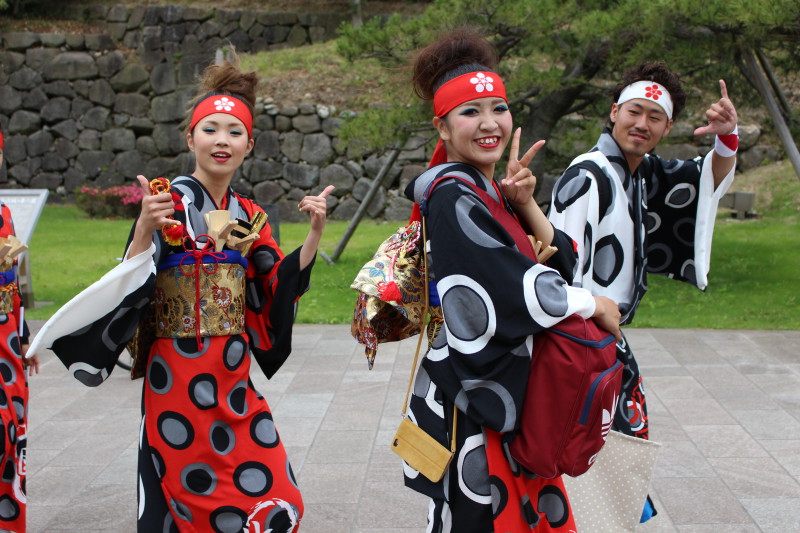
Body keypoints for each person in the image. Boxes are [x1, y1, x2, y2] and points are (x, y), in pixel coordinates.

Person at [27, 54, 333, 532]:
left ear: (249, 144)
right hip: (179, 374)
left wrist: (314, 235)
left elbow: (273, 288)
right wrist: (146, 228)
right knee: (182, 488)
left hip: (233, 374)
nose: (222, 141)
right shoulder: (169, 200)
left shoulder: (250, 214)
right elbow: (130, 276)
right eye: (210, 129)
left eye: (235, 132)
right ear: (190, 137)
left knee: (273, 494)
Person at [401, 29, 622, 532]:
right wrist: (592, 304)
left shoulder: (485, 191)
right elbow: (507, 290)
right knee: (485, 516)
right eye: (470, 111)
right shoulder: (451, 193)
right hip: (471, 396)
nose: (488, 123)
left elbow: (559, 261)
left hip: (500, 388)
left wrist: (524, 203)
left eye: (498, 108)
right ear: (442, 127)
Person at [547, 61, 738, 521]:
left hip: (604, 340)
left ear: (667, 126)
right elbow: (558, 269)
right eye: (635, 111)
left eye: (655, 117)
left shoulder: (640, 171)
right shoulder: (587, 175)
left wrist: (727, 137)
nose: (642, 124)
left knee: (615, 448)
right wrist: (579, 334)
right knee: (591, 448)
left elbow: (704, 180)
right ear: (614, 112)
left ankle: (602, 519)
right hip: (580, 339)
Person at [0, 128, 40, 533]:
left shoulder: (4, 215)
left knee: (12, 432)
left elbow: (11, 282)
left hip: (7, 344)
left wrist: (25, 337)